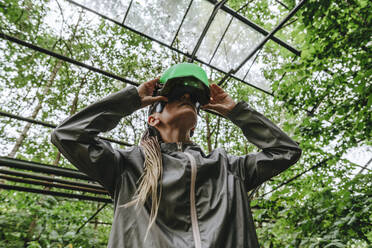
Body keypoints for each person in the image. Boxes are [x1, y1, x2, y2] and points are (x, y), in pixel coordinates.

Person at [51, 63, 301, 248]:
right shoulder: (126, 167)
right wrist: (131, 100)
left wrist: (237, 112)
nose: (187, 98)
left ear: (194, 126)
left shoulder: (229, 168)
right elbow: (68, 136)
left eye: (193, 99)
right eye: (173, 97)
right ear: (153, 118)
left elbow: (285, 151)